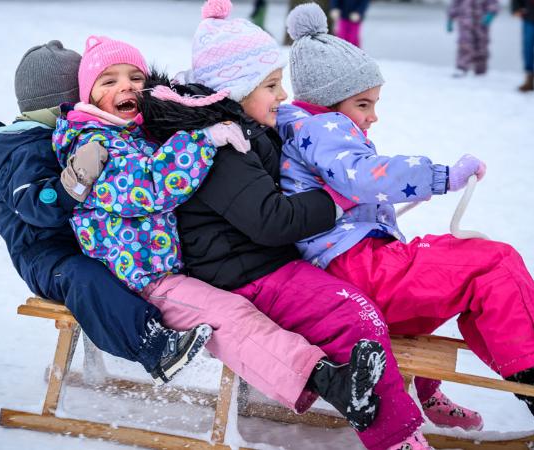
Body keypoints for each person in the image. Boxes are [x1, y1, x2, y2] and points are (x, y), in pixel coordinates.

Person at [277, 4, 534, 449]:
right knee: (491, 263)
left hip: (357, 268)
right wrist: (441, 176)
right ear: (328, 102)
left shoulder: (306, 128)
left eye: (374, 104)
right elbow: (366, 173)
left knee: (477, 273)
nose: (372, 116)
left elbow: (351, 180)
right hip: (360, 270)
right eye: (363, 104)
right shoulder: (325, 127)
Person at [139, 0, 437, 446]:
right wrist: (339, 196)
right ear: (235, 91)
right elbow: (271, 221)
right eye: (272, 85)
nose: (283, 95)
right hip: (246, 274)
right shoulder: (223, 146)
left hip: (264, 263)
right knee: (353, 316)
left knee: (380, 295)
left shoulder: (249, 128)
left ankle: (416, 403)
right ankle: (396, 435)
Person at [52, 33, 388, 425]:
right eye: (109, 81)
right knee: (230, 316)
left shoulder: (135, 132)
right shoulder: (94, 144)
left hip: (168, 269)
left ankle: (332, 376)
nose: (126, 86)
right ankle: (330, 383)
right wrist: (204, 139)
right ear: (87, 97)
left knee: (240, 308)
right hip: (139, 279)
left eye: (135, 77)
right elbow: (151, 188)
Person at [0, 40, 213, 386]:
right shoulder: (18, 147)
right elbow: (36, 207)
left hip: (81, 239)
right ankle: (153, 346)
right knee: (84, 278)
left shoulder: (63, 134)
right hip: (45, 255)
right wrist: (75, 181)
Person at [447, 0, 499, 76]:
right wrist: (450, 18)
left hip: (482, 22)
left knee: (481, 46)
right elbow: (455, 4)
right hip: (465, 21)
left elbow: (493, 2)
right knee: (464, 45)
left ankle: (481, 70)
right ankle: (461, 68)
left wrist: (491, 13)